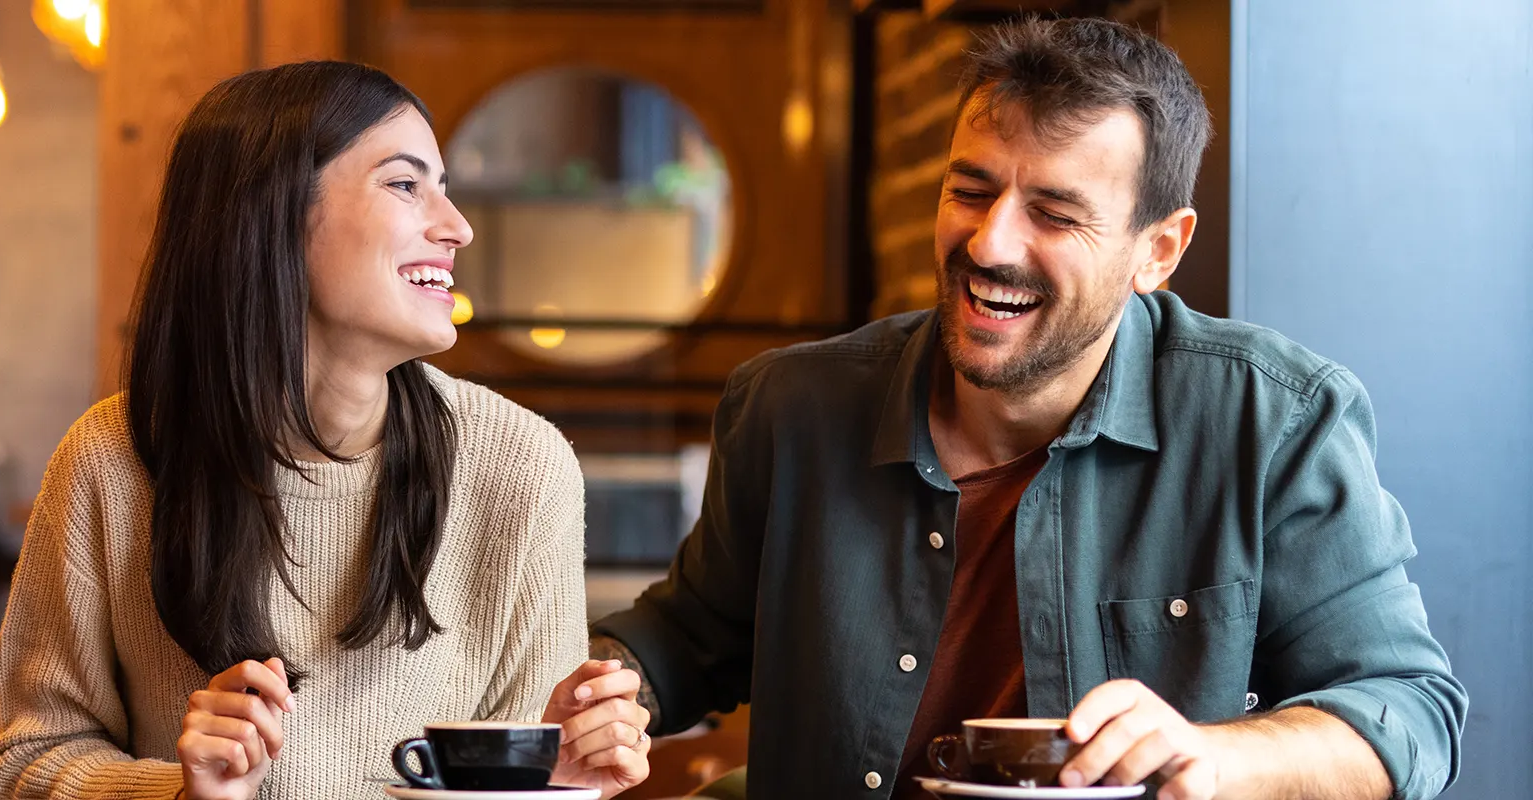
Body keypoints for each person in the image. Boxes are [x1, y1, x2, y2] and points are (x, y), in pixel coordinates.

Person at [589, 17, 1466, 800]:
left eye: (1054, 213)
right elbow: (689, 634)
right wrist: (613, 689)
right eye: (970, 191)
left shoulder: (1274, 419)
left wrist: (1213, 758)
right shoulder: (788, 407)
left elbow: (1407, 714)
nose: (990, 241)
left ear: (1158, 250)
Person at [0, 61, 653, 800]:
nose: (456, 226)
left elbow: (521, 787)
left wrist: (553, 783)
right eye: (405, 184)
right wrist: (181, 794)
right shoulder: (111, 460)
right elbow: (30, 759)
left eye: (445, 186)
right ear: (272, 213)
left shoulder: (522, 468)